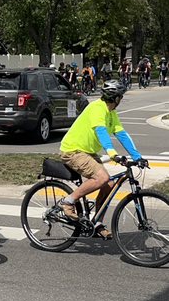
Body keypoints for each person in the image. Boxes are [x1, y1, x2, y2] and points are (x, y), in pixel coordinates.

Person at [58, 79, 144, 240]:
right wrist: (112, 154)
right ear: (115, 97)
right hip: (72, 150)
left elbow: (122, 134)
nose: (121, 99)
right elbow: (101, 132)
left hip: (87, 152)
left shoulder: (111, 113)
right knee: (102, 178)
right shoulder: (97, 108)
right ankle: (68, 202)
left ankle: (96, 223)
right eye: (121, 96)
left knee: (109, 184)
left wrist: (137, 156)